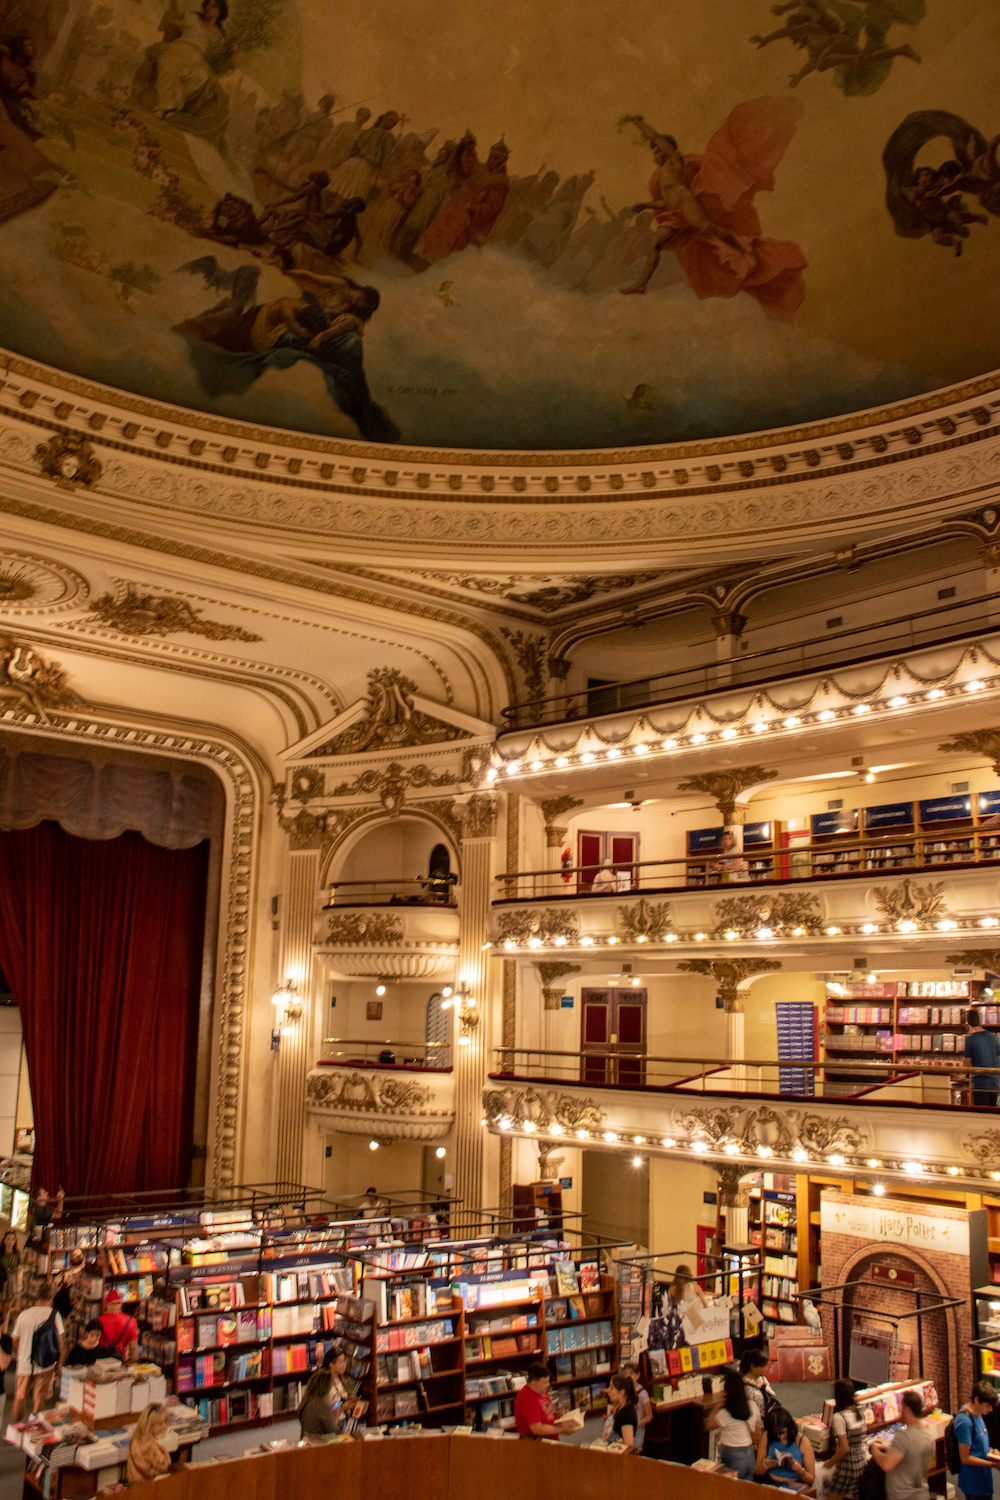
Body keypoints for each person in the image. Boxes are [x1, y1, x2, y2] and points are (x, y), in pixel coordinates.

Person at [11, 1283, 64, 1421]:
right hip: (45, 1362)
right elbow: (60, 1342)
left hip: (24, 1361)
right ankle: (35, 1424)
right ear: (52, 1297)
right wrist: (60, 1363)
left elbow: (15, 1340)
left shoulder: (24, 1314)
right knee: (39, 1397)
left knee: (20, 1395)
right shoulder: (54, 1315)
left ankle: (16, 1425)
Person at [871, 1389, 934, 1500]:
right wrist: (890, 1449)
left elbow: (886, 1464)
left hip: (903, 1496)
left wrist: (873, 1449)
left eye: (902, 1406)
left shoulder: (903, 1437)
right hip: (922, 1494)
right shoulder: (928, 1434)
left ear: (907, 1410)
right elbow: (911, 1454)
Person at [707, 1367, 761, 1481]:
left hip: (732, 1454)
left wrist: (717, 1405)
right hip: (749, 1454)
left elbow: (708, 1425)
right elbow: (758, 1433)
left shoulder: (726, 1413)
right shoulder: (752, 1406)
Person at [953, 1381, 999, 1500]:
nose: (990, 1410)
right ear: (977, 1400)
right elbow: (965, 1458)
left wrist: (991, 1452)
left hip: (984, 1479)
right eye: (987, 1406)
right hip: (974, 1483)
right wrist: (993, 1464)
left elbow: (977, 1444)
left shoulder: (978, 1413)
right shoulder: (965, 1421)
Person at [513, 1361, 578, 1439]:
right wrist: (561, 1430)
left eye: (548, 1381)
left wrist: (559, 1415)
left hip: (550, 1440)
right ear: (534, 1383)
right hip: (536, 1444)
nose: (548, 1384)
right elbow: (537, 1429)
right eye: (545, 1382)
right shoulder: (527, 1398)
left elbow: (545, 1413)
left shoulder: (541, 1391)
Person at [827, 1379, 869, 1499]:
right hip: (861, 1462)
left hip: (847, 1467)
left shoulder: (839, 1417)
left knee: (832, 1496)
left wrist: (830, 1462)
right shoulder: (860, 1411)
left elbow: (844, 1448)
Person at [756, 1406, 815, 1487]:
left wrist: (800, 1470)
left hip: (794, 1486)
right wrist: (766, 1464)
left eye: (783, 1432)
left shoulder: (803, 1442)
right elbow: (758, 1471)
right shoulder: (767, 1437)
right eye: (776, 1434)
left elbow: (811, 1479)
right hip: (771, 1483)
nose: (781, 1437)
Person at [125, 1402, 172, 1484]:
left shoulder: (136, 1437)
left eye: (165, 1421)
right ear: (149, 1424)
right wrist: (165, 1452)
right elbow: (166, 1468)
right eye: (160, 1423)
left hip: (134, 1486)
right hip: (148, 1489)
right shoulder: (150, 1446)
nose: (164, 1426)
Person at [299, 1367, 349, 1437]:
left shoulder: (306, 1399)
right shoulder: (323, 1404)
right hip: (318, 1443)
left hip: (306, 1439)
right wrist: (336, 1418)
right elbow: (335, 1432)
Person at [964, 1011, 1000, 1107]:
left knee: (981, 1114)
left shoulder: (970, 1039)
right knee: (991, 1114)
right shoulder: (993, 1037)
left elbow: (966, 1064)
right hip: (994, 1083)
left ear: (967, 1022)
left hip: (980, 1084)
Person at [321, 1341, 365, 1419]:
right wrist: (342, 1407)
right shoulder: (324, 1384)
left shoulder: (340, 1379)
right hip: (332, 1424)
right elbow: (325, 1410)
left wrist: (347, 1399)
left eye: (344, 1360)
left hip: (342, 1419)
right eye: (341, 1362)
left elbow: (336, 1402)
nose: (345, 1364)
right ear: (331, 1365)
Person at [97, 1289, 138, 1363]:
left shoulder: (98, 1321)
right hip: (120, 1361)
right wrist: (133, 1364)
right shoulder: (131, 1321)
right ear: (121, 1303)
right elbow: (133, 1347)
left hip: (101, 1362)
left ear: (106, 1304)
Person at [741, 1347, 777, 1426]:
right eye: (763, 1366)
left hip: (769, 1419)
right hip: (756, 1425)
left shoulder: (763, 1379)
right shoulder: (745, 1387)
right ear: (753, 1366)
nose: (765, 1369)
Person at [622, 1362, 652, 1450]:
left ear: (637, 1376)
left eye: (631, 1373)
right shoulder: (623, 1391)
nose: (628, 1376)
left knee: (633, 1453)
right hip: (624, 1428)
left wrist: (636, 1423)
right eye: (625, 1373)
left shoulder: (642, 1394)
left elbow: (649, 1416)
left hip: (637, 1430)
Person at [606, 1372, 638, 1450]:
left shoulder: (627, 1414)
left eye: (611, 1388)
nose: (608, 1390)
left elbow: (628, 1443)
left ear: (621, 1392)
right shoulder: (620, 1408)